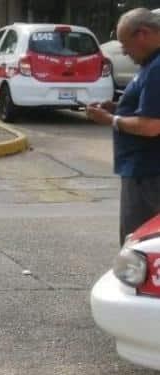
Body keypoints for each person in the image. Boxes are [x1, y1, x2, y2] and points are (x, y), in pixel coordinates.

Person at [86, 8, 160, 245]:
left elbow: (151, 126)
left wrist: (111, 120)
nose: (125, 52)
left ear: (143, 34)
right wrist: (118, 108)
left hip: (148, 175)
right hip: (143, 172)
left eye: (125, 44)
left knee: (139, 245)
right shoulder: (151, 65)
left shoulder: (157, 68)